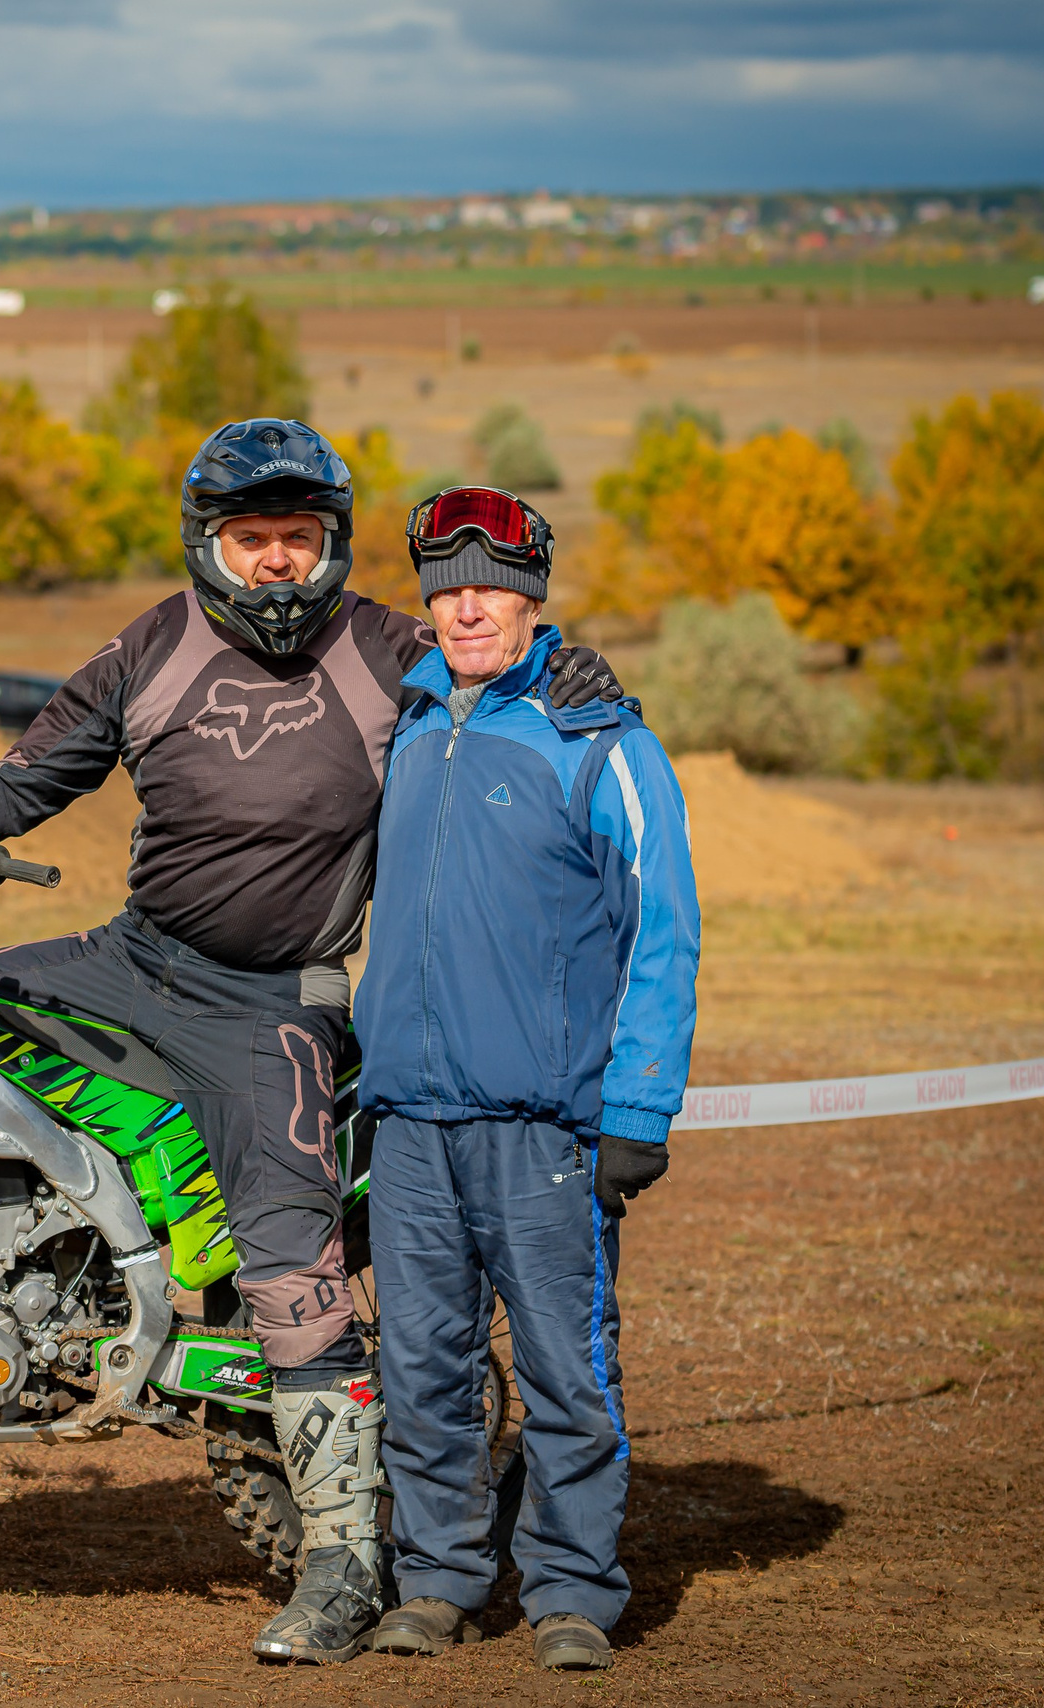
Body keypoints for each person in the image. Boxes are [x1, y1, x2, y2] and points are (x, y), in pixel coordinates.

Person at [0, 422, 629, 1665]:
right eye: (250, 539)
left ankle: (346, 1565)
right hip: (132, 959)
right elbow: (27, 781)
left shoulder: (385, 652)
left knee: (293, 1275)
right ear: (209, 543)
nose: (274, 564)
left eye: (297, 540)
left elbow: (499, 666)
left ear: (333, 545)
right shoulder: (150, 648)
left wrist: (581, 669)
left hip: (276, 1005)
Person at [350, 486, 701, 1672]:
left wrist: (638, 1108)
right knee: (422, 1364)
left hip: (546, 1123)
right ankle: (437, 1578)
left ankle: (571, 1590)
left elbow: (662, 929)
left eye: (487, 584)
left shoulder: (601, 739)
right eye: (443, 586)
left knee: (564, 1362)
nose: (464, 606)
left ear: (533, 594)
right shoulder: (399, 723)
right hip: (407, 1120)